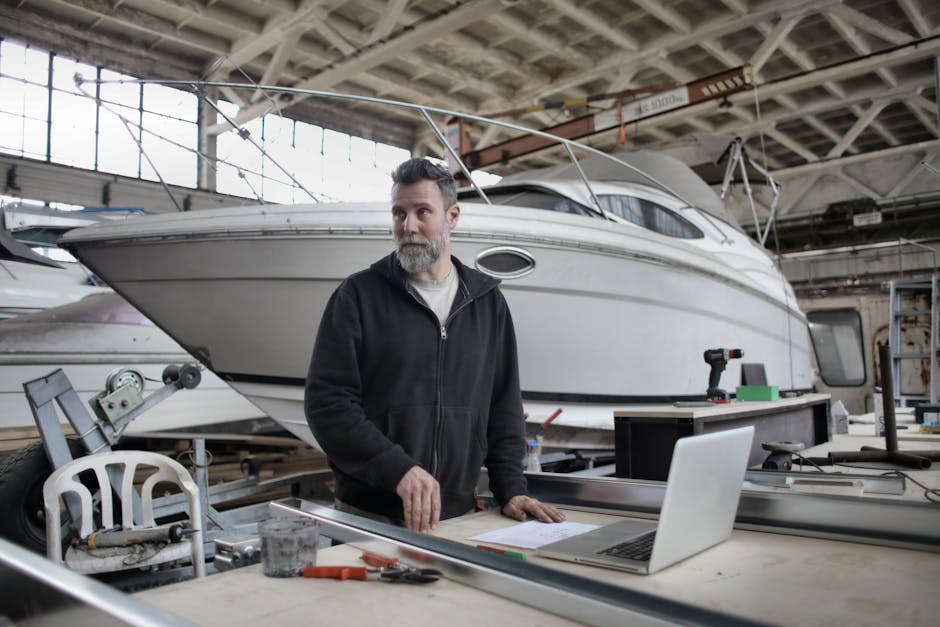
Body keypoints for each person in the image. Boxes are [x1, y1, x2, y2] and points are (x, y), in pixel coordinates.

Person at [304, 157, 565, 532]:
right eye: (399, 213)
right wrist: (397, 469)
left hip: (457, 517)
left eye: (422, 212)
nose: (408, 226)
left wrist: (511, 489)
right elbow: (327, 404)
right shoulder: (357, 296)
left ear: (452, 217)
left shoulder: (488, 303)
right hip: (367, 515)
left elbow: (503, 407)